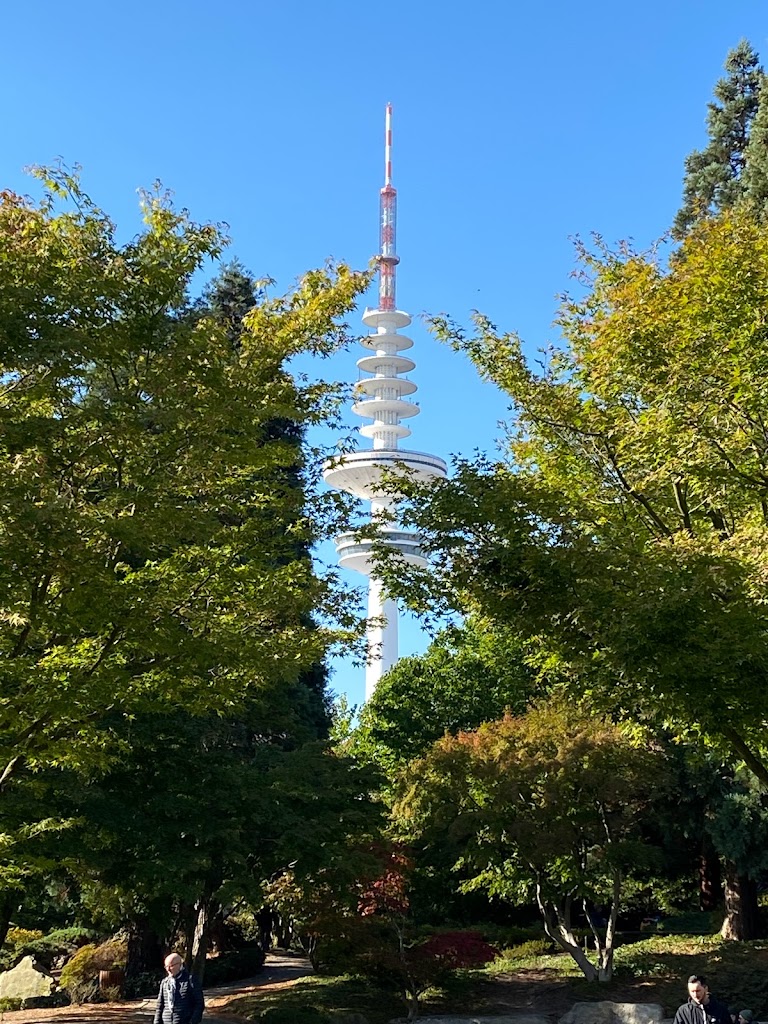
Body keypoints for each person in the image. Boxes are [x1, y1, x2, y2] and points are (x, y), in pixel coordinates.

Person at [153, 952, 204, 1024]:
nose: (168, 969)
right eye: (166, 966)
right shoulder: (165, 983)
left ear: (180, 965)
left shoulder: (190, 980)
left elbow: (199, 1004)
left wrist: (193, 1021)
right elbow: (160, 1006)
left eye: (171, 966)